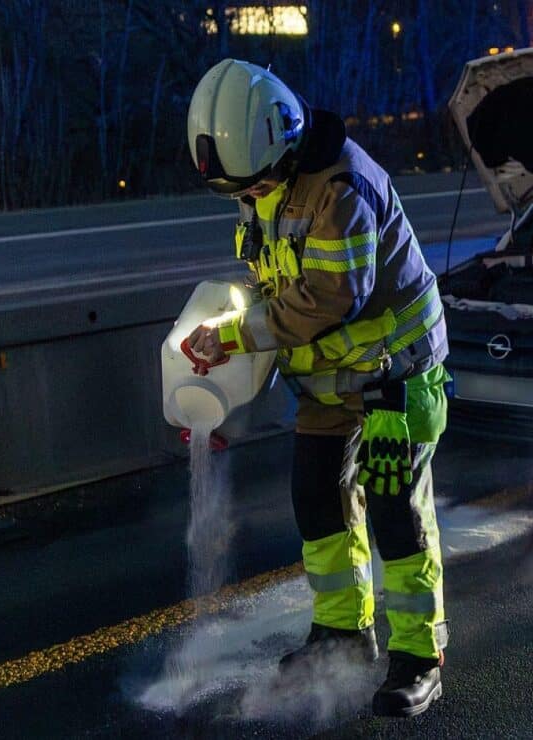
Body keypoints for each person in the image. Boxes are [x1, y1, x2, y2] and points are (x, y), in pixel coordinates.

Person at [183, 59, 449, 718]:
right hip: (329, 379)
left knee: (395, 511)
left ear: (283, 141)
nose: (251, 195)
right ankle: (343, 634)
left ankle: (419, 656)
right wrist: (219, 378)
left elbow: (330, 297)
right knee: (317, 499)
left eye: (257, 182)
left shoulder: (343, 189)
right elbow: (270, 282)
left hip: (396, 373)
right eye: (240, 190)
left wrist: (239, 337)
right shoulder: (261, 184)